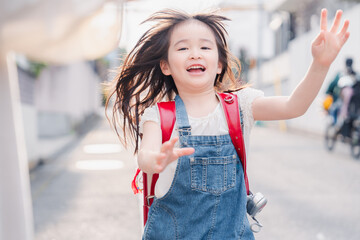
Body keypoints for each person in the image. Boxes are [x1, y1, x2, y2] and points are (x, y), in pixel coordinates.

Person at [106, 8, 349, 239]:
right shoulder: (158, 115)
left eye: (204, 46)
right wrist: (156, 159)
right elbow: (145, 157)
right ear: (165, 66)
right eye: (182, 48)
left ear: (220, 63)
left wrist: (320, 64)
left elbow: (294, 106)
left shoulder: (240, 106)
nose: (195, 53)